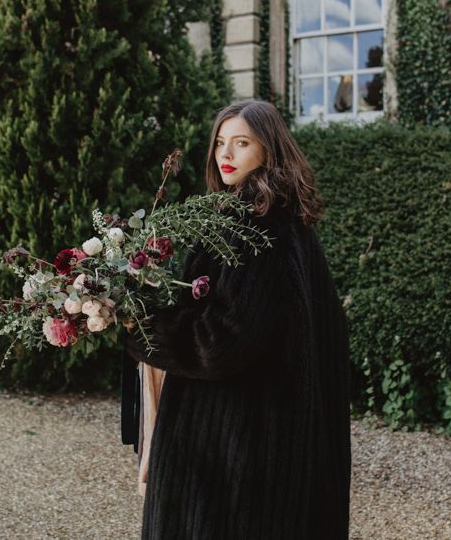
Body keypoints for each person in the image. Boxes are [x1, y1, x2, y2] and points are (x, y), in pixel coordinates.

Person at [124, 100, 351, 539]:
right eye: (220, 143)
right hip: (264, 438)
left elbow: (222, 341)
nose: (225, 155)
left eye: (241, 143)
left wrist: (142, 325)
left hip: (236, 445)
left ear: (269, 150)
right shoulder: (281, 221)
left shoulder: (259, 230)